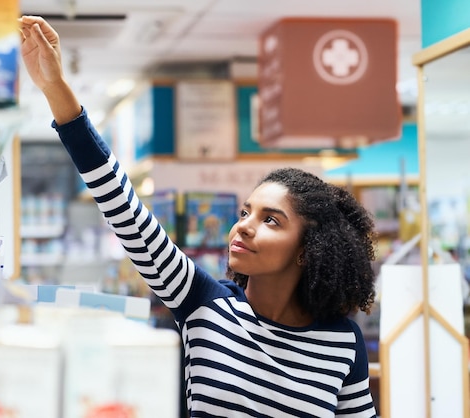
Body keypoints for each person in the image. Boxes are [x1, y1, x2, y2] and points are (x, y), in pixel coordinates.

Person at [19, 15, 377, 418]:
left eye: (271, 220)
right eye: (246, 212)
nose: (244, 225)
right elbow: (123, 207)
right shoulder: (204, 304)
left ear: (307, 251)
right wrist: (55, 89)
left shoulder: (342, 342)